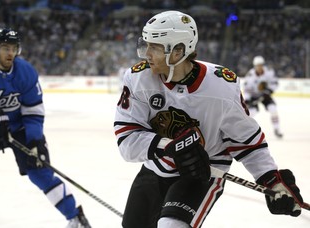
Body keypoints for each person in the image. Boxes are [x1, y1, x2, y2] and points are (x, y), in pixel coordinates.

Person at [114, 11, 304, 228]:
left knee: (171, 225)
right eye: (145, 44)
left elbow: (247, 142)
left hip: (204, 171)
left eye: (155, 47)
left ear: (178, 51)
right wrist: (171, 146)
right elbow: (127, 140)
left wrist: (271, 179)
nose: (146, 54)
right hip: (156, 167)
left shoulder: (221, 87)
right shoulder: (138, 78)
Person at [0, 28, 91, 228]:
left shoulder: (26, 72)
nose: (10, 53)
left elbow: (34, 112)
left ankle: (76, 218)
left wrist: (35, 140)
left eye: (14, 48)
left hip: (21, 129)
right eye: (5, 48)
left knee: (40, 172)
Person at [243, 55, 283, 138]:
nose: (259, 67)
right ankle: (246, 132)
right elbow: (246, 89)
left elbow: (275, 83)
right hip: (254, 96)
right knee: (250, 114)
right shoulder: (250, 75)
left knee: (273, 109)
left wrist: (269, 90)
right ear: (255, 66)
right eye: (258, 65)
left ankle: (277, 129)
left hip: (265, 95)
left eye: (261, 65)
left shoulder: (269, 72)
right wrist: (247, 99)